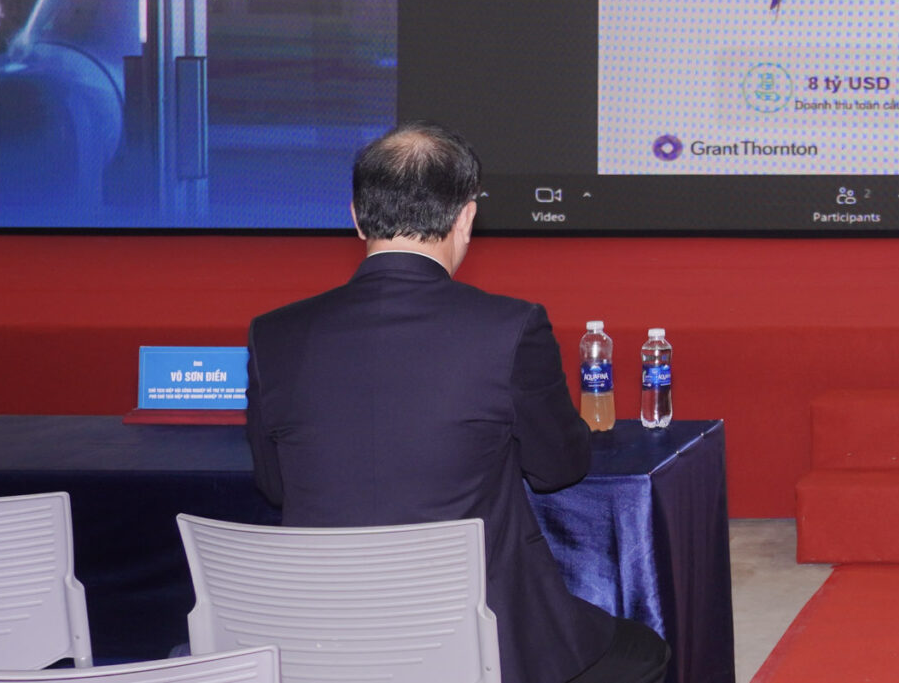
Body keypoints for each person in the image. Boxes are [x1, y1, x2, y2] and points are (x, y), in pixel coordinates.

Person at [246, 122, 668, 683]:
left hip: (320, 638)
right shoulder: (510, 327)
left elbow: (276, 486)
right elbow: (558, 469)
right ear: (466, 217)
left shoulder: (274, 334)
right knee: (644, 653)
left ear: (356, 217)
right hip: (475, 637)